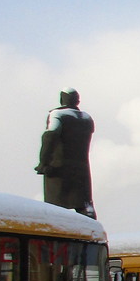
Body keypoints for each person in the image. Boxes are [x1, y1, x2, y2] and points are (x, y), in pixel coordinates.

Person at [35, 87, 96, 218]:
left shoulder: (57, 115)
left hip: (58, 169)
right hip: (82, 170)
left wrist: (43, 162)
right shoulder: (87, 119)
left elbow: (50, 137)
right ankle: (92, 234)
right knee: (85, 206)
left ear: (62, 99)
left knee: (55, 209)